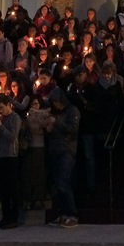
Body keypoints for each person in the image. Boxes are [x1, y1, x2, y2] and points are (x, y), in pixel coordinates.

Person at [45, 87, 81, 228]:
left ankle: (72, 214)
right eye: (53, 102)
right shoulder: (54, 112)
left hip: (67, 150)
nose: (56, 105)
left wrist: (56, 123)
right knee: (58, 184)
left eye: (58, 102)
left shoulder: (72, 111)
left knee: (63, 181)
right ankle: (64, 213)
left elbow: (73, 129)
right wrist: (48, 129)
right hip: (55, 150)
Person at [0, 93, 22, 229]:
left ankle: (13, 218)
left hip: (11, 156)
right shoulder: (1, 118)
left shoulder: (15, 118)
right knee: (3, 189)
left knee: (11, 188)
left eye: (2, 107)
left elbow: (12, 137)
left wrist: (1, 127)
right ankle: (5, 217)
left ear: (8, 104)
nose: (0, 111)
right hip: (1, 156)